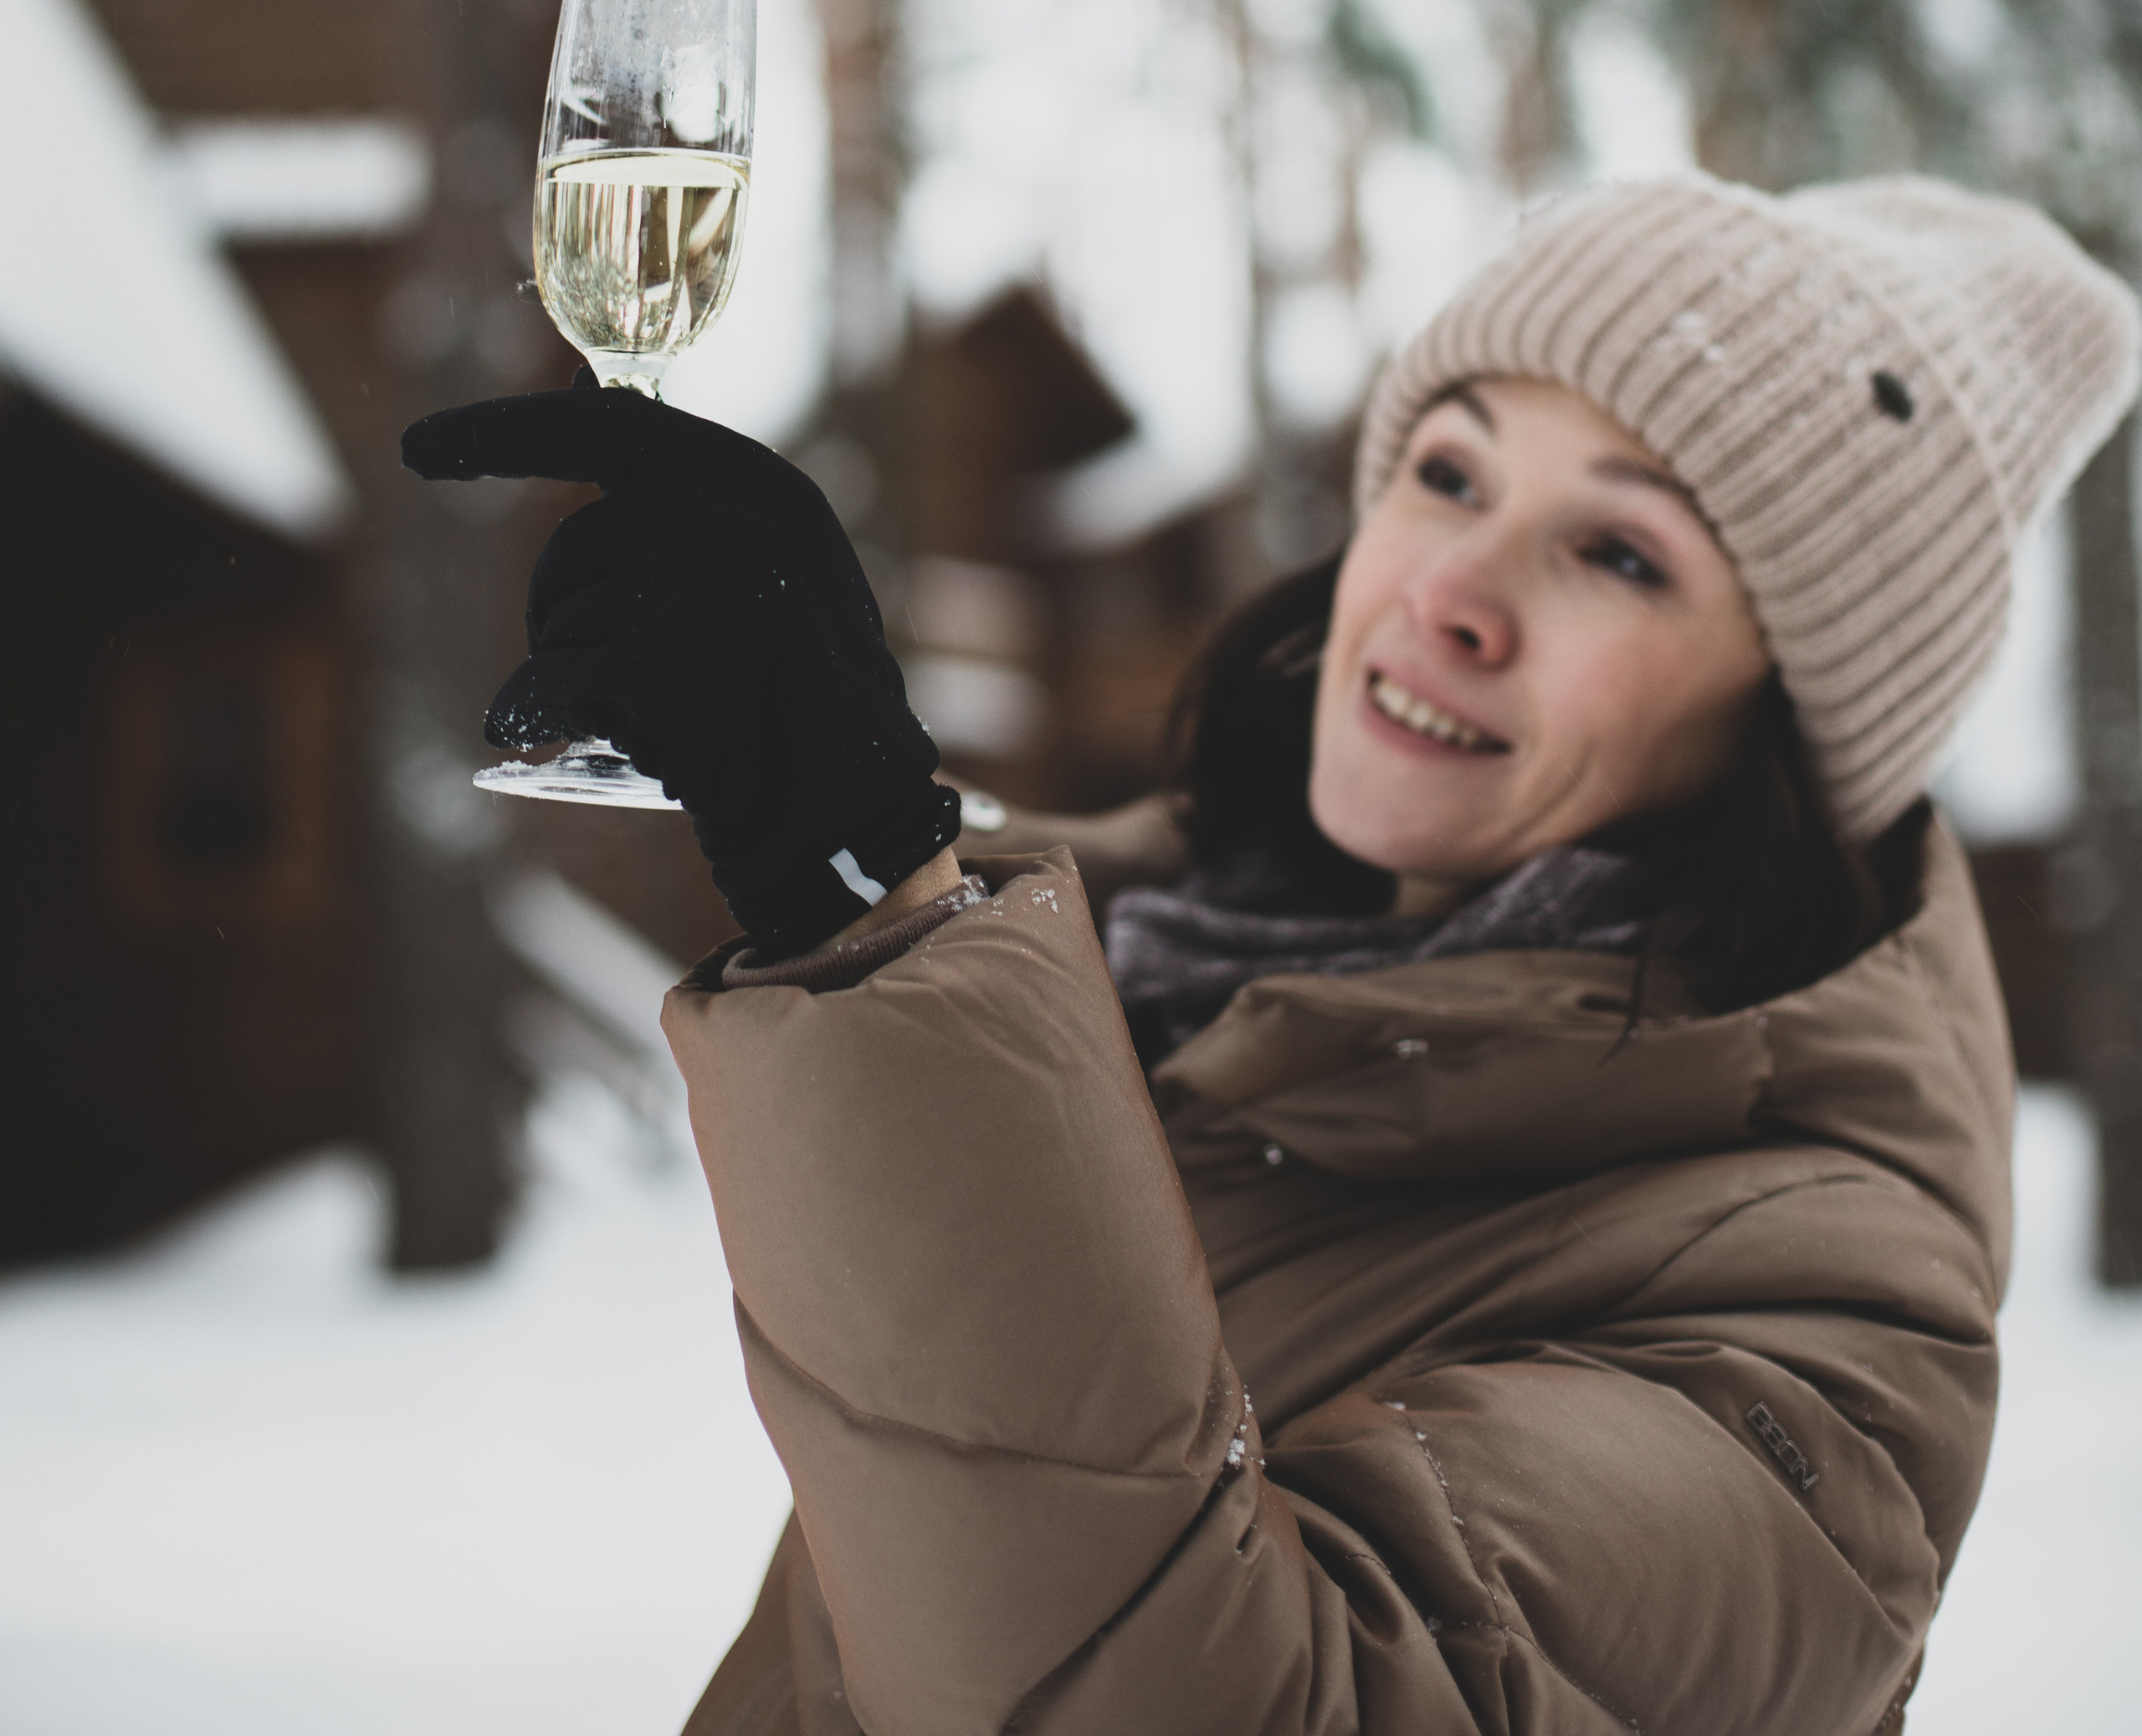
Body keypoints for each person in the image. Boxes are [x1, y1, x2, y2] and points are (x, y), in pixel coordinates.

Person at [405, 170, 2140, 1736]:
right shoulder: (1177, 984)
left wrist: (866, 907)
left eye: (1617, 553)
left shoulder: (1830, 1330)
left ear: (1789, 733)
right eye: (1446, 468)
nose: (1450, 587)